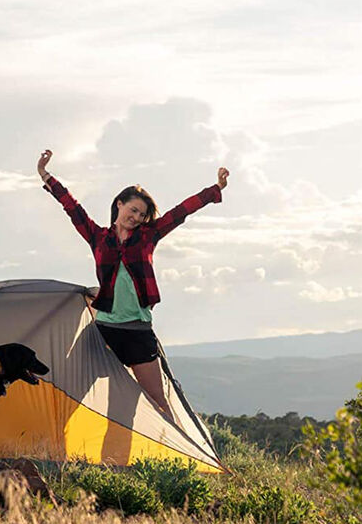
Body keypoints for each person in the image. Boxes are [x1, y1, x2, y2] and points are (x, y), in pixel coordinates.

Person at [37, 148, 229, 426]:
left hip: (138, 330)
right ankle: (71, 453)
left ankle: (182, 451)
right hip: (104, 331)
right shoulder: (98, 238)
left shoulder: (149, 236)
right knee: (83, 396)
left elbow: (180, 212)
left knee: (157, 401)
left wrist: (215, 189)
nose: (137, 217)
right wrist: (46, 175)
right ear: (119, 204)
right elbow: (73, 209)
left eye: (142, 214)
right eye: (133, 209)